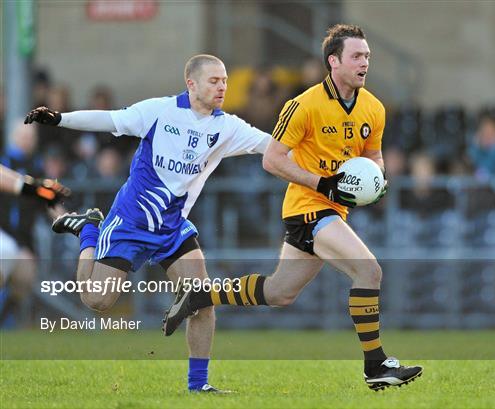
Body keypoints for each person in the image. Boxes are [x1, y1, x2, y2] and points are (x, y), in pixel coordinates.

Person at [163, 24, 422, 391]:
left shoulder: (374, 108)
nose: (365, 63)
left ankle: (201, 295)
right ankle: (375, 365)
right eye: (357, 56)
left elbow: (374, 154)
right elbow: (272, 159)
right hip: (307, 207)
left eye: (367, 56)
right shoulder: (304, 105)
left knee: (278, 293)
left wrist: (378, 180)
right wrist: (323, 183)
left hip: (332, 210)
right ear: (334, 61)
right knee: (369, 272)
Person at [24, 54, 270, 393]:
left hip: (171, 228)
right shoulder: (159, 111)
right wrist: (60, 119)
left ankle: (198, 386)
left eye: (225, 80)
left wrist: (328, 161)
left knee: (201, 299)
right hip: (129, 223)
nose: (222, 86)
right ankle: (88, 230)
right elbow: (108, 118)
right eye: (214, 80)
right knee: (96, 301)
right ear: (192, 83)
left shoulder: (227, 127)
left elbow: (274, 147)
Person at [0, 163, 70, 326]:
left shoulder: (32, 164)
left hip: (16, 242)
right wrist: (37, 189)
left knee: (13, 259)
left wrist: (38, 190)